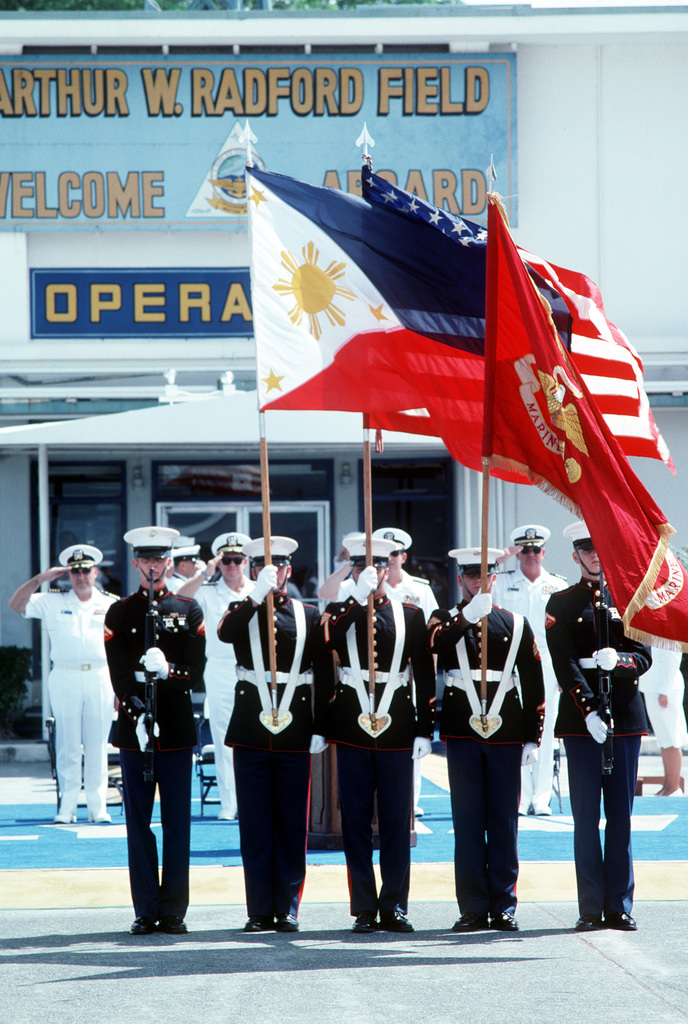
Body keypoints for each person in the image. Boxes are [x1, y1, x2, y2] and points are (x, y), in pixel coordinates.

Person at [317, 536, 436, 934]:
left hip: (397, 724)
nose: (370, 572)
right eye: (360, 566)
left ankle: (395, 905)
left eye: (378, 566)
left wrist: (425, 728)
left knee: (396, 821)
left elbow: (424, 673)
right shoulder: (341, 610)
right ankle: (364, 907)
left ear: (389, 568)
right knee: (354, 820)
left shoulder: (410, 614)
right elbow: (325, 641)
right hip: (351, 724)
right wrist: (356, 597)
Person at [428, 546, 545, 933]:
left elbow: (533, 681)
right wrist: (466, 617)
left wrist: (533, 736)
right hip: (462, 731)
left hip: (506, 731)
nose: (479, 582)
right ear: (460, 579)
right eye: (471, 576)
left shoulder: (516, 623)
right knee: (467, 820)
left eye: (485, 575)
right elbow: (434, 646)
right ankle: (473, 907)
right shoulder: (444, 618)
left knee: (504, 821)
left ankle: (504, 905)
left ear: (495, 577)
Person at [546, 521, 651, 932]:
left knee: (621, 817)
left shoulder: (629, 597)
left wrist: (619, 662)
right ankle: (590, 906)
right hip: (581, 722)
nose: (593, 555)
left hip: (624, 717)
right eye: (586, 549)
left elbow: (643, 655)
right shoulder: (561, 602)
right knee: (586, 818)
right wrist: (588, 710)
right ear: (575, 555)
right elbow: (563, 661)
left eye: (598, 547)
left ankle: (619, 905)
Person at [104, 526, 206, 936]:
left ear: (169, 562)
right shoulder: (120, 612)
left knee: (177, 824)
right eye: (145, 559)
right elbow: (118, 676)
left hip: (176, 727)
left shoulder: (188, 609)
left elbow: (195, 673)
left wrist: (169, 671)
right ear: (135, 563)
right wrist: (138, 714)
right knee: (138, 824)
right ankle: (145, 908)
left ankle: (174, 909)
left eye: (159, 559)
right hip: (135, 731)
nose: (153, 566)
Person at [218, 536, 322, 934]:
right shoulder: (241, 609)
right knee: (256, 825)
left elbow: (322, 671)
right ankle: (259, 909)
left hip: (295, 729)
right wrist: (255, 595)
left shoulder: (308, 614)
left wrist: (321, 726)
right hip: (250, 731)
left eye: (278, 567)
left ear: (288, 571)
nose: (272, 573)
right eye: (264, 567)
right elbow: (226, 634)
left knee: (292, 824)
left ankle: (288, 907)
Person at [9, 544, 117, 825]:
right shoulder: (52, 600)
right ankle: (67, 808)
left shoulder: (111, 604)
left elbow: (122, 648)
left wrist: (121, 686)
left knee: (97, 744)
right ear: (68, 575)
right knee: (68, 744)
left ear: (96, 573)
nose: (81, 576)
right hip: (65, 676)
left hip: (100, 675)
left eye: (86, 570)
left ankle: (98, 807)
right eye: (75, 571)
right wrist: (40, 579)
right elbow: (16, 604)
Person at [177, 532, 253, 820]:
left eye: (237, 560)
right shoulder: (207, 591)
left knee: (255, 736)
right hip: (220, 668)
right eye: (226, 560)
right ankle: (230, 803)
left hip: (254, 669)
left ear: (246, 561)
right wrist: (204, 574)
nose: (232, 565)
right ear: (219, 563)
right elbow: (180, 597)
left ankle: (253, 800)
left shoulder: (257, 589)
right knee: (223, 736)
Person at [493, 524, 567, 816]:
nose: (531, 554)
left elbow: (564, 633)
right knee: (516, 728)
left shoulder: (557, 585)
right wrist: (500, 557)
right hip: (512, 664)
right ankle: (521, 798)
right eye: (524, 550)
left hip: (547, 664)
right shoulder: (502, 581)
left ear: (544, 552)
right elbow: (480, 578)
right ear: (516, 553)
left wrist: (563, 672)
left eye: (536, 549)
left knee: (546, 731)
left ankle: (541, 797)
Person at [373, 526, 439, 818]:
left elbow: (430, 635)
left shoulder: (420, 589)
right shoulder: (363, 582)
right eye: (385, 553)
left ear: (404, 556)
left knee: (413, 733)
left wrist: (428, 672)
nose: (390, 558)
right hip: (375, 674)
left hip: (409, 672)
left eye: (395, 552)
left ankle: (412, 799)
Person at [640, 647, 688, 795]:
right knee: (663, 739)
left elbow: (673, 657)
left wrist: (665, 691)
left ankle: (673, 787)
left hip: (665, 688)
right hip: (654, 686)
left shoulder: (670, 632)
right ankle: (667, 786)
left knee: (672, 738)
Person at [317, 531, 364, 602]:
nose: (343, 550)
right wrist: (350, 563)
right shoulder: (348, 567)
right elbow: (324, 594)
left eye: (346, 547)